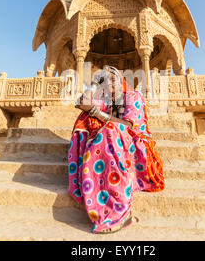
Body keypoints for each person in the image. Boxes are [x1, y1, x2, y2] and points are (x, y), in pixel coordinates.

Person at [67, 66, 165, 234]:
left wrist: (94, 111)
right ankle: (94, 187)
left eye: (113, 79)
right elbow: (82, 101)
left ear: (122, 82)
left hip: (136, 145)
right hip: (113, 141)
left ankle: (119, 208)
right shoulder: (105, 101)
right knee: (85, 119)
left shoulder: (132, 96)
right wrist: (93, 84)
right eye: (105, 80)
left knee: (110, 128)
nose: (109, 83)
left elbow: (127, 125)